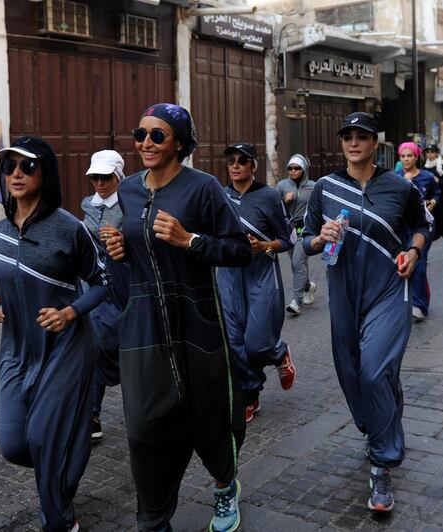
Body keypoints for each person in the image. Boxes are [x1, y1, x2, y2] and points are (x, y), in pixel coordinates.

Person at [105, 103, 251, 532]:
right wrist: (120, 248)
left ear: (181, 144)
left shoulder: (203, 188)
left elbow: (240, 250)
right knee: (142, 429)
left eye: (157, 135)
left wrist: (192, 241)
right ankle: (153, 518)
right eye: (140, 134)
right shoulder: (128, 190)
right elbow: (135, 254)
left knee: (208, 417)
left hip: (197, 321)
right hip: (144, 325)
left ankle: (225, 485)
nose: (145, 143)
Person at [0, 136, 108, 532]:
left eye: (27, 166)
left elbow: (103, 282)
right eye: (8, 167)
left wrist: (71, 312)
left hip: (66, 347)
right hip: (16, 349)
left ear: (45, 173)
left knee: (42, 438)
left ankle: (59, 518)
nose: (16, 174)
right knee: (15, 444)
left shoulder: (70, 229)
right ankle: (66, 450)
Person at [301, 113, 429, 513]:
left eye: (362, 136)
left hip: (389, 290)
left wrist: (413, 251)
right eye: (348, 137)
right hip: (343, 295)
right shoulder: (325, 187)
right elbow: (302, 241)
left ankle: (382, 463)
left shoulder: (399, 186)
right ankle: (380, 420)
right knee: (355, 372)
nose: (354, 142)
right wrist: (320, 238)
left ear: (376, 143)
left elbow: (423, 225)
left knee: (374, 369)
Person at [216, 142, 295, 423]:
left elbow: (288, 239)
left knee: (256, 343)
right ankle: (250, 396)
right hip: (227, 275)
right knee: (234, 342)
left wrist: (264, 246)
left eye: (242, 160)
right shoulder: (218, 196)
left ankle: (278, 352)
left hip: (261, 273)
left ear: (253, 166)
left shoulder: (269, 197)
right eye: (231, 161)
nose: (235, 165)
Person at [80, 149, 129, 441]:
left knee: (124, 346)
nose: (99, 183)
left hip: (124, 285)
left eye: (106, 177)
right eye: (95, 177)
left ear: (118, 177)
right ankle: (92, 414)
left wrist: (123, 241)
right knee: (94, 348)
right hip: (94, 287)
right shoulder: (88, 207)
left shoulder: (129, 206)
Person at [396, 142, 439, 323]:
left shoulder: (427, 177)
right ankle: (403, 302)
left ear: (416, 157)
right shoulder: (394, 177)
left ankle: (419, 305)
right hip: (401, 227)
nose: (406, 159)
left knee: (419, 265)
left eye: (410, 156)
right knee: (402, 264)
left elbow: (437, 194)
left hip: (422, 226)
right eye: (403, 156)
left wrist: (433, 203)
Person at [275, 154, 316, 315]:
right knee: (295, 264)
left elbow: (319, 208)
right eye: (290, 168)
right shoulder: (282, 186)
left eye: (297, 168)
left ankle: (296, 302)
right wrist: (284, 201)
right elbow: (272, 207)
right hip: (289, 231)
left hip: (305, 230)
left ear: (304, 169)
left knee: (298, 263)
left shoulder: (313, 186)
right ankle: (308, 287)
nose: (293, 171)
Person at [423, 144, 443, 256]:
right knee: (430, 226)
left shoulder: (442, 166)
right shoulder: (424, 167)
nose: (429, 154)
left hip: (442, 201)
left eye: (432, 152)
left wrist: (438, 180)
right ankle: (424, 253)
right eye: (428, 152)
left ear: (436, 153)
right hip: (430, 201)